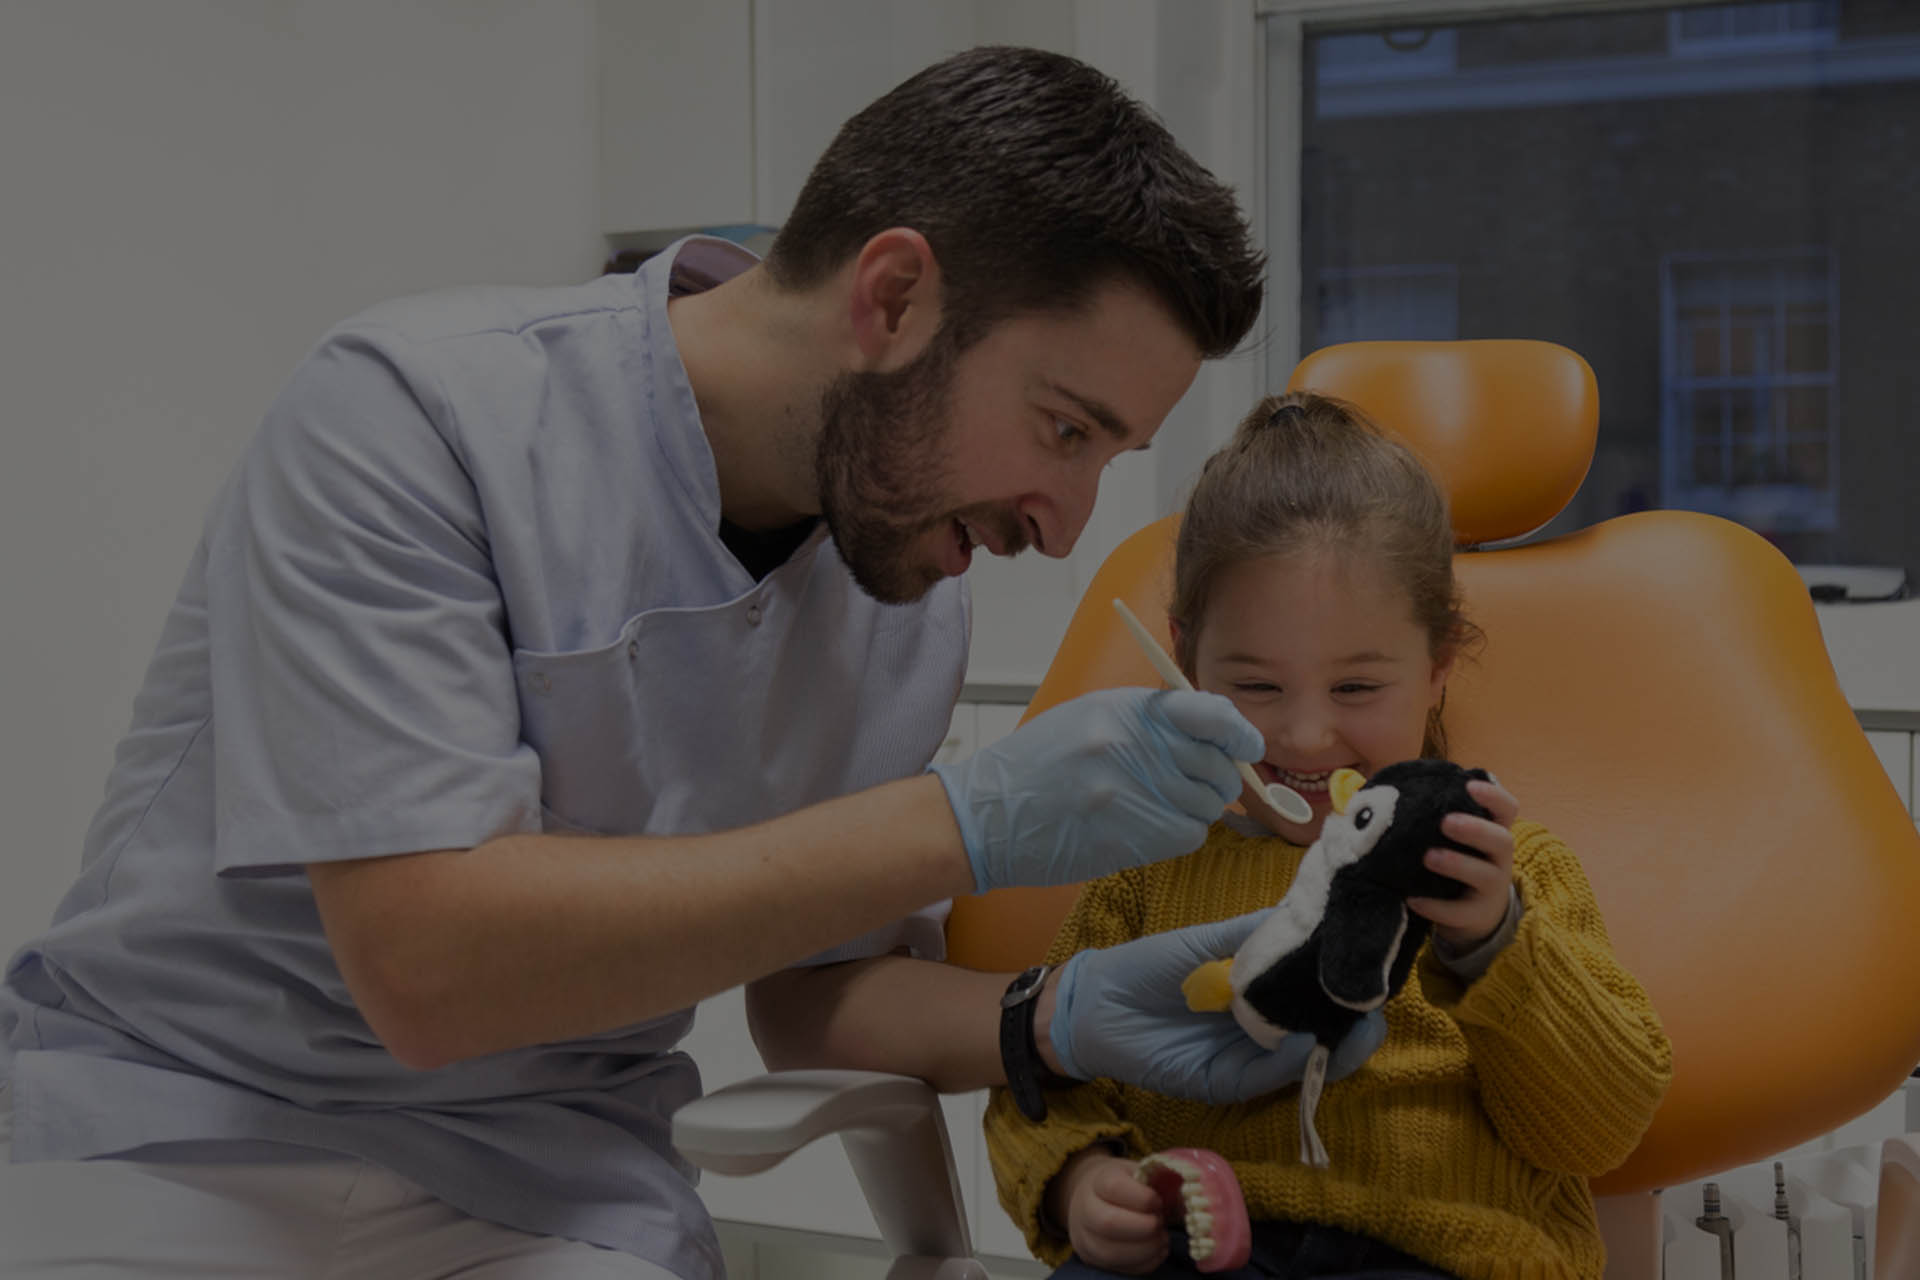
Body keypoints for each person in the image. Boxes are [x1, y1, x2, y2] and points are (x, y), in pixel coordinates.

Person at [0, 46, 1329, 1280]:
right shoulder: (417, 417)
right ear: (893, 296)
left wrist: (1051, 1017)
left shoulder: (905, 600)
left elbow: (808, 1000)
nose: (1066, 526)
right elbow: (426, 972)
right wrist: (960, 824)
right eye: (1062, 428)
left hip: (555, 1183)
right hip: (175, 1136)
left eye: (1104, 457)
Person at [982, 391, 1676, 1280]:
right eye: (1257, 688)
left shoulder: (1512, 877)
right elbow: (1044, 1077)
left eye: (1355, 690)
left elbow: (1600, 1129)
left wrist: (1494, 945)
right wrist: (1080, 1181)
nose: (1306, 738)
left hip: (1442, 1258)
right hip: (1191, 1254)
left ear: (1438, 668)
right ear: (1187, 662)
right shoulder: (1145, 872)